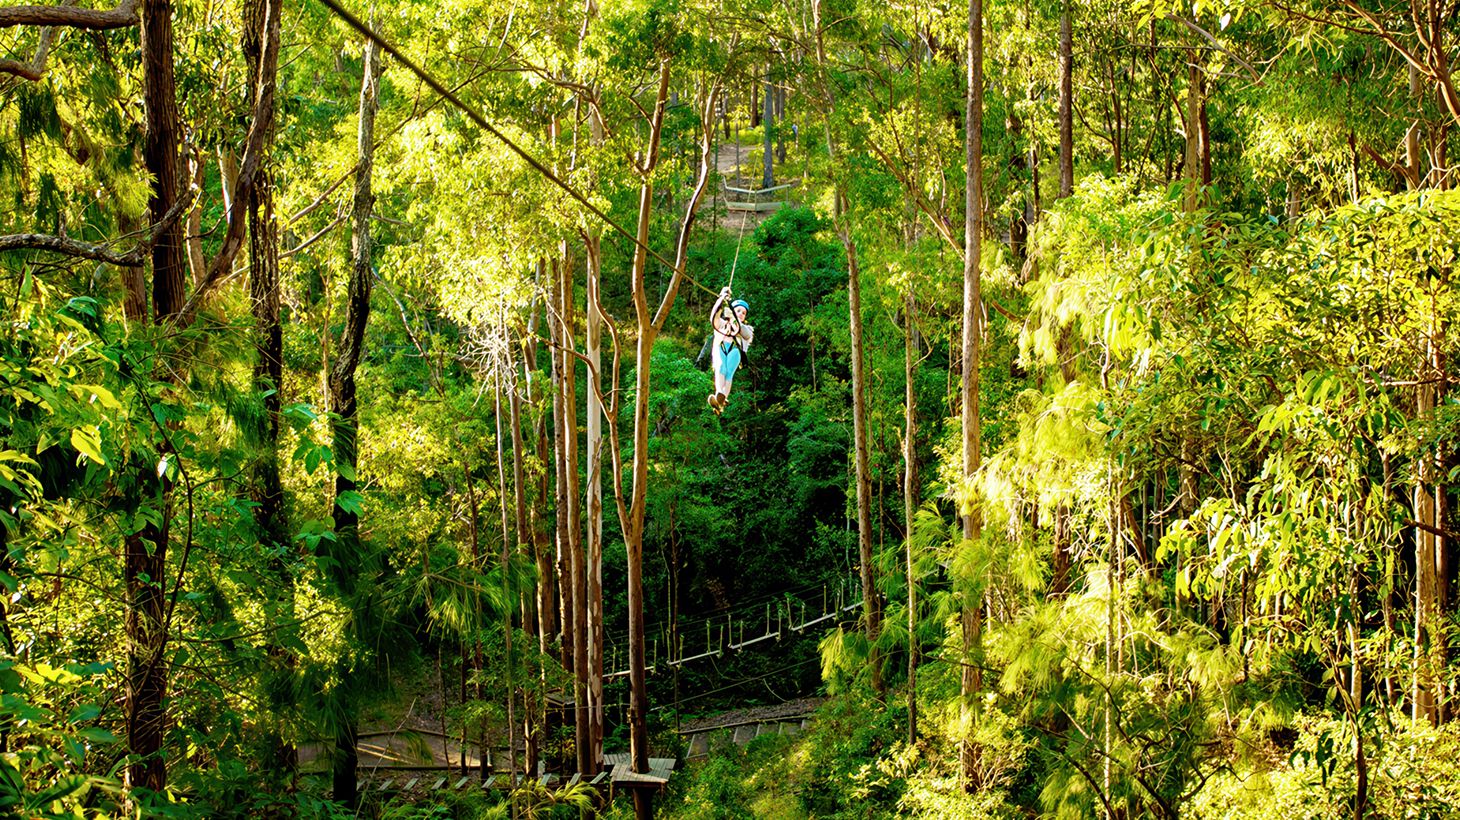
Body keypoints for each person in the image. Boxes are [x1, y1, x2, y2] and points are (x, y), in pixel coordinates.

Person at [707, 286, 753, 414]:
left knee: (729, 372)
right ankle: (719, 393)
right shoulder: (722, 323)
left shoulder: (746, 328)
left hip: (735, 349)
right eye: (738, 311)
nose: (741, 314)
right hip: (721, 347)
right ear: (732, 311)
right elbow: (713, 317)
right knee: (721, 367)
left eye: (743, 313)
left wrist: (735, 320)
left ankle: (723, 398)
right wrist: (721, 298)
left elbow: (746, 335)